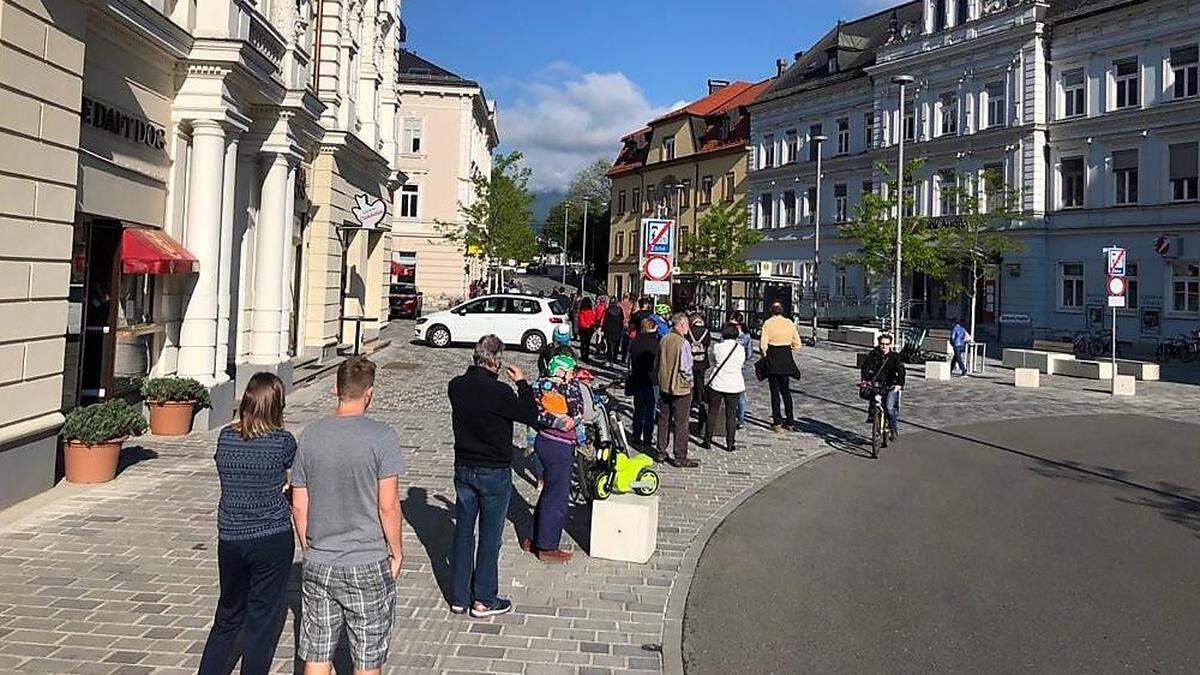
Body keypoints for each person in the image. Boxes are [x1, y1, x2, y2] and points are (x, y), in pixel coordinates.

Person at [292, 357, 405, 674]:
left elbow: (299, 503)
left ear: (335, 390)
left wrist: (308, 547)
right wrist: (396, 551)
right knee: (367, 656)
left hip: (320, 559)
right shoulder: (382, 437)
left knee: (317, 651)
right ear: (369, 393)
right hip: (366, 559)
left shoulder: (311, 435)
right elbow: (388, 505)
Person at [198, 373, 296, 675]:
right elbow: (295, 480)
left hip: (231, 535)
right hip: (272, 535)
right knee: (262, 619)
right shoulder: (283, 442)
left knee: (227, 615)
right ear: (276, 405)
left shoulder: (226, 437)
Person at [447, 336, 539, 617]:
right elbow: (530, 414)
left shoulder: (456, 386)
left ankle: (460, 597)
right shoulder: (501, 393)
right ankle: (484, 598)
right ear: (496, 361)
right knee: (490, 535)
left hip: (464, 467)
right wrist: (522, 383)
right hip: (494, 471)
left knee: (463, 532)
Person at [521, 355, 583, 563]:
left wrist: (553, 420)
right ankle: (547, 546)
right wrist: (564, 421)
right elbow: (577, 412)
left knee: (549, 491)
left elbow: (535, 412)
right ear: (561, 371)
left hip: (543, 441)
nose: (573, 374)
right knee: (557, 497)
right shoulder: (570, 387)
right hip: (560, 445)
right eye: (570, 371)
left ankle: (532, 536)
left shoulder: (537, 385)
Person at [657, 313, 698, 468]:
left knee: (664, 420)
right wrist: (691, 381)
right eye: (687, 325)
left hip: (665, 385)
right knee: (681, 423)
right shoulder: (683, 343)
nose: (688, 328)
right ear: (681, 324)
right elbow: (685, 368)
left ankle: (661, 451)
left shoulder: (664, 339)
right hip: (680, 388)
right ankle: (680, 456)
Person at [702, 323, 747, 452]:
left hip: (718, 383)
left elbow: (712, 360)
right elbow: (741, 363)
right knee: (731, 414)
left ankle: (707, 440)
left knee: (713, 412)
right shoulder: (740, 349)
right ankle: (730, 443)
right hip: (734, 384)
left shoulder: (717, 347)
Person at [759, 302, 802, 432]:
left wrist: (765, 356)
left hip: (773, 358)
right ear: (782, 311)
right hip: (786, 358)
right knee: (786, 391)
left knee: (775, 392)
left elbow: (762, 345)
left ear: (771, 311)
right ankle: (790, 421)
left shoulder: (767, 323)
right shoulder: (789, 323)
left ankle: (777, 421)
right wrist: (789, 351)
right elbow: (797, 344)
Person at [860, 333, 906, 444]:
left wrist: (899, 384)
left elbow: (901, 371)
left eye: (886, 344)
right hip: (876, 383)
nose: (884, 346)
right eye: (882, 344)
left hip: (891, 384)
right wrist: (865, 380)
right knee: (874, 402)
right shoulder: (873, 354)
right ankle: (874, 417)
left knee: (890, 408)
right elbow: (865, 367)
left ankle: (892, 428)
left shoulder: (895, 357)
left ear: (890, 345)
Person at [627, 317, 661, 448]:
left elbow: (630, 360)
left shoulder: (635, 341)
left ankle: (636, 436)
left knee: (638, 409)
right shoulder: (656, 343)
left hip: (637, 378)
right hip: (652, 380)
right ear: (652, 327)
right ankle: (647, 437)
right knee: (650, 410)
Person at [729, 312, 753, 429]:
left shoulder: (728, 334)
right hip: (741, 367)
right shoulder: (747, 336)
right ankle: (741, 419)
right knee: (740, 394)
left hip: (729, 366)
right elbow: (750, 354)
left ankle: (730, 416)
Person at [687, 314, 712, 421]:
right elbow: (708, 344)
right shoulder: (706, 331)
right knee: (700, 381)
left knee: (689, 380)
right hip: (702, 360)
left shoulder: (689, 331)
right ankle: (698, 400)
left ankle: (689, 401)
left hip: (690, 359)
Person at [602, 298, 626, 364]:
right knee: (616, 345)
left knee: (609, 345)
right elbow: (622, 318)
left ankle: (609, 358)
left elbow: (605, 320)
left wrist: (603, 329)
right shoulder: (620, 310)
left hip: (609, 330)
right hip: (617, 329)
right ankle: (614, 358)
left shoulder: (608, 310)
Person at [576, 297, 597, 362]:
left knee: (582, 343)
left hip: (582, 328)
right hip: (589, 328)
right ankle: (586, 357)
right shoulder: (591, 311)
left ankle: (582, 356)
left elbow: (580, 320)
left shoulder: (581, 311)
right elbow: (593, 319)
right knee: (587, 343)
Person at [618, 293, 634, 361]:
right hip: (628, 324)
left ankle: (622, 355)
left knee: (622, 340)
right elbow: (633, 314)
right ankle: (625, 356)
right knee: (627, 341)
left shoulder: (619, 304)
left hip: (621, 324)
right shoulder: (631, 305)